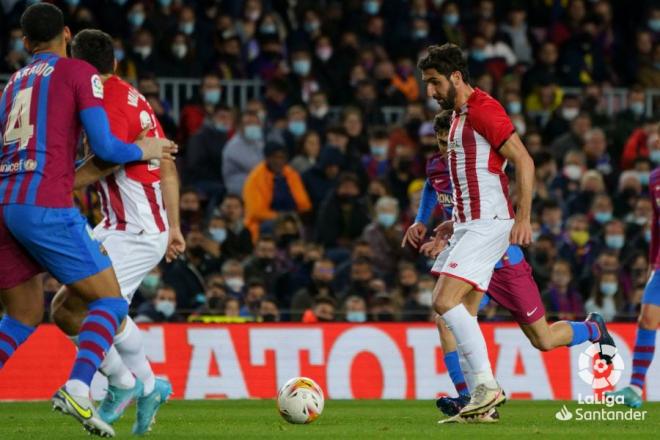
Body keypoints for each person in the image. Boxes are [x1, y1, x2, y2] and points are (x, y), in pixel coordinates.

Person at [0, 4, 172, 437]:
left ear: (24, 43)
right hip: (46, 205)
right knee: (109, 302)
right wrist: (145, 150)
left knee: (21, 315)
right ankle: (79, 386)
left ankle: (130, 383)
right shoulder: (79, 74)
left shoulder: (12, 85)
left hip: (5, 202)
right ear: (66, 34)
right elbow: (108, 150)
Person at [405, 102, 614, 423]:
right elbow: (433, 191)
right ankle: (470, 398)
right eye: (442, 143)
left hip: (504, 260)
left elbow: (493, 204)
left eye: (453, 142)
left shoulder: (479, 165)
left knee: (542, 339)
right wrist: (425, 221)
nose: (448, 149)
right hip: (472, 257)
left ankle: (591, 328)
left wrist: (455, 227)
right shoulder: (437, 167)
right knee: (446, 317)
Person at [49, 29, 182, 435]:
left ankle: (129, 384)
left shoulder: (109, 103)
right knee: (64, 310)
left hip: (138, 230)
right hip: (119, 225)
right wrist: (175, 227)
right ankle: (141, 383)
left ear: (81, 65)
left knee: (92, 308)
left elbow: (107, 159)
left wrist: (61, 183)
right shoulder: (128, 97)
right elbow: (168, 165)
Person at [417, 43, 534, 419]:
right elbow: (472, 177)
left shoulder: (484, 108)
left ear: (456, 77)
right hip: (469, 223)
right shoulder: (456, 116)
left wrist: (524, 218)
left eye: (434, 83)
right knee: (458, 312)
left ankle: (487, 386)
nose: (430, 92)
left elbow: (523, 160)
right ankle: (482, 408)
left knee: (443, 300)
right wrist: (452, 221)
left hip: (489, 224)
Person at [607, 166, 660, 408]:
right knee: (647, 319)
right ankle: (635, 388)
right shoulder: (654, 178)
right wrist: (652, 261)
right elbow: (656, 223)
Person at [242, 142, 311, 240]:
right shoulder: (255, 178)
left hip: (292, 217)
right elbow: (256, 212)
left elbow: (304, 204)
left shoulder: (291, 174)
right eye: (275, 157)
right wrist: (280, 218)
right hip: (263, 223)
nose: (279, 161)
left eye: (282, 157)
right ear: (267, 158)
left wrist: (291, 218)